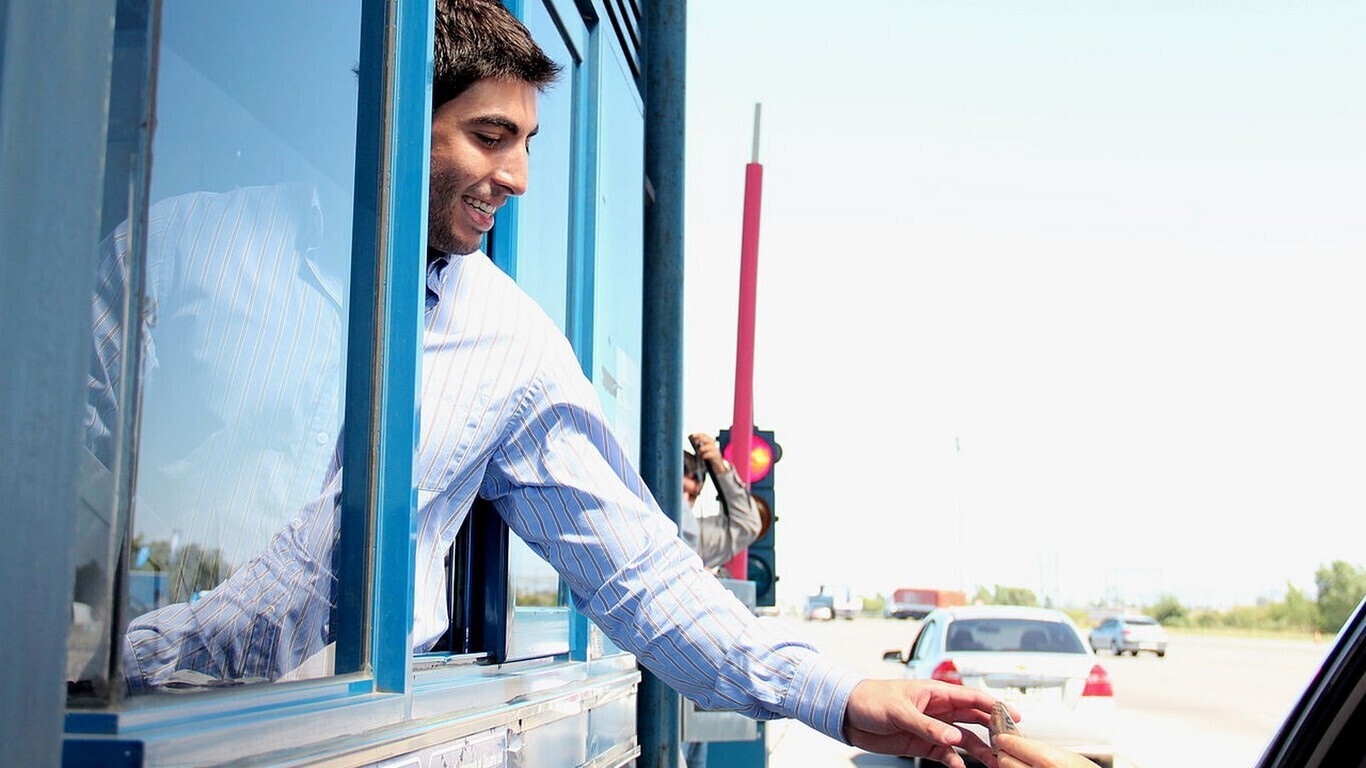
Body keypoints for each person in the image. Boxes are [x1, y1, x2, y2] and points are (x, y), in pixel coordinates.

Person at [119, 1, 1010, 764]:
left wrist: (838, 696)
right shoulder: (183, 248)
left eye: (527, 144)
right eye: (489, 137)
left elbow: (642, 574)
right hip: (137, 715)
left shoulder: (511, 344)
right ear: (394, 110)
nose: (516, 178)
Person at [679, 431, 766, 571]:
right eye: (681, 490)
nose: (684, 500)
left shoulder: (691, 537)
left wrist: (719, 466)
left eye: (693, 496)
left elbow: (747, 526)